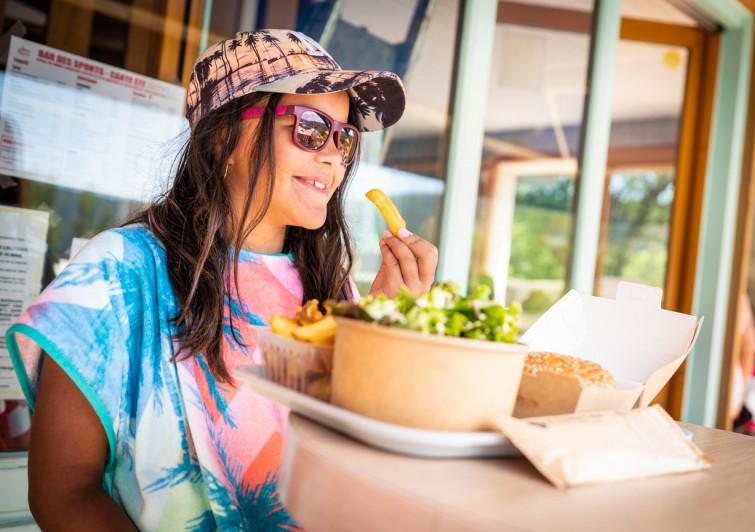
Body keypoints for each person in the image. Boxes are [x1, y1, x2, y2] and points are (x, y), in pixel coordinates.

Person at [6, 29, 437, 530]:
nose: (333, 156)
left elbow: (356, 455)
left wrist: (382, 329)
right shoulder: (117, 271)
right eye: (311, 128)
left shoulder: (334, 290)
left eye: (345, 138)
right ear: (222, 140)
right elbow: (63, 490)